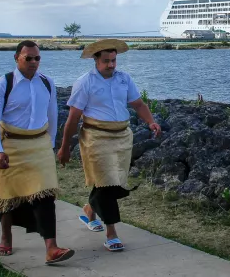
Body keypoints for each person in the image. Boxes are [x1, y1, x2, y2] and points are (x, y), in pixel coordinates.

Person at [57, 38, 161, 252]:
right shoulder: (85, 82)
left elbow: (138, 104)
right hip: (96, 136)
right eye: (106, 61)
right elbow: (73, 118)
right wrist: (65, 146)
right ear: (96, 60)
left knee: (112, 180)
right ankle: (111, 233)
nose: (111, 65)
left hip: (122, 136)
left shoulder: (124, 79)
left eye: (113, 60)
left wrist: (151, 122)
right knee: (107, 184)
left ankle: (89, 210)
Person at [0, 40, 74, 265]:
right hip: (11, 146)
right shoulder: (4, 83)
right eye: (28, 58)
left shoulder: (47, 83)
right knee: (8, 197)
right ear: (17, 58)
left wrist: (50, 146)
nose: (33, 62)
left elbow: (52, 116)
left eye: (37, 58)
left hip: (39, 146)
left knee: (45, 194)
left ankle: (51, 248)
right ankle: (6, 235)